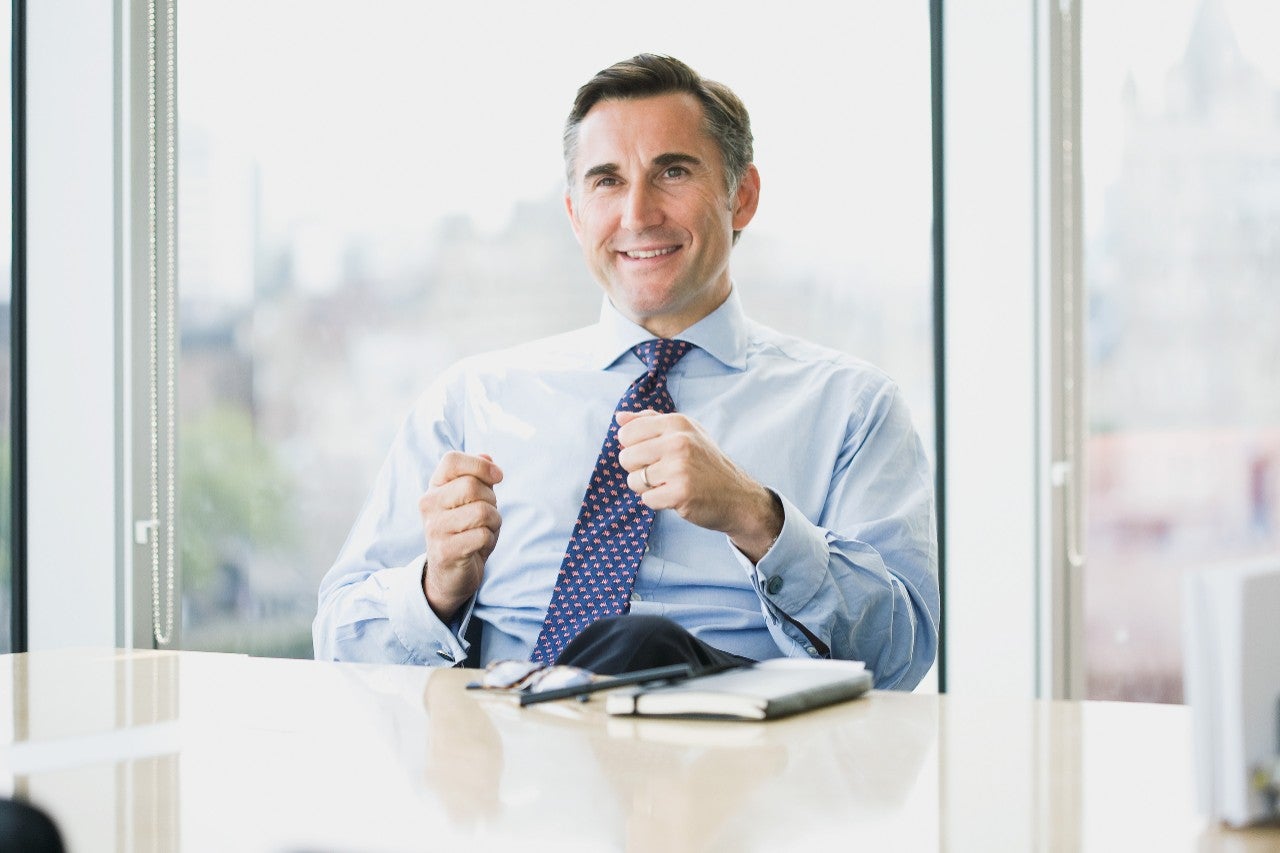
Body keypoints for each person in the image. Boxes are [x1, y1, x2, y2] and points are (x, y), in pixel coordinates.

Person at [313, 54, 939, 689]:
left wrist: (757, 518)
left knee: (642, 648)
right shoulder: (473, 401)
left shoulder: (853, 407)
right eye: (606, 181)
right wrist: (436, 587)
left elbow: (900, 655)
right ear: (575, 212)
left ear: (741, 197)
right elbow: (337, 641)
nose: (638, 214)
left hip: (738, 760)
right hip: (514, 751)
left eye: (672, 172)